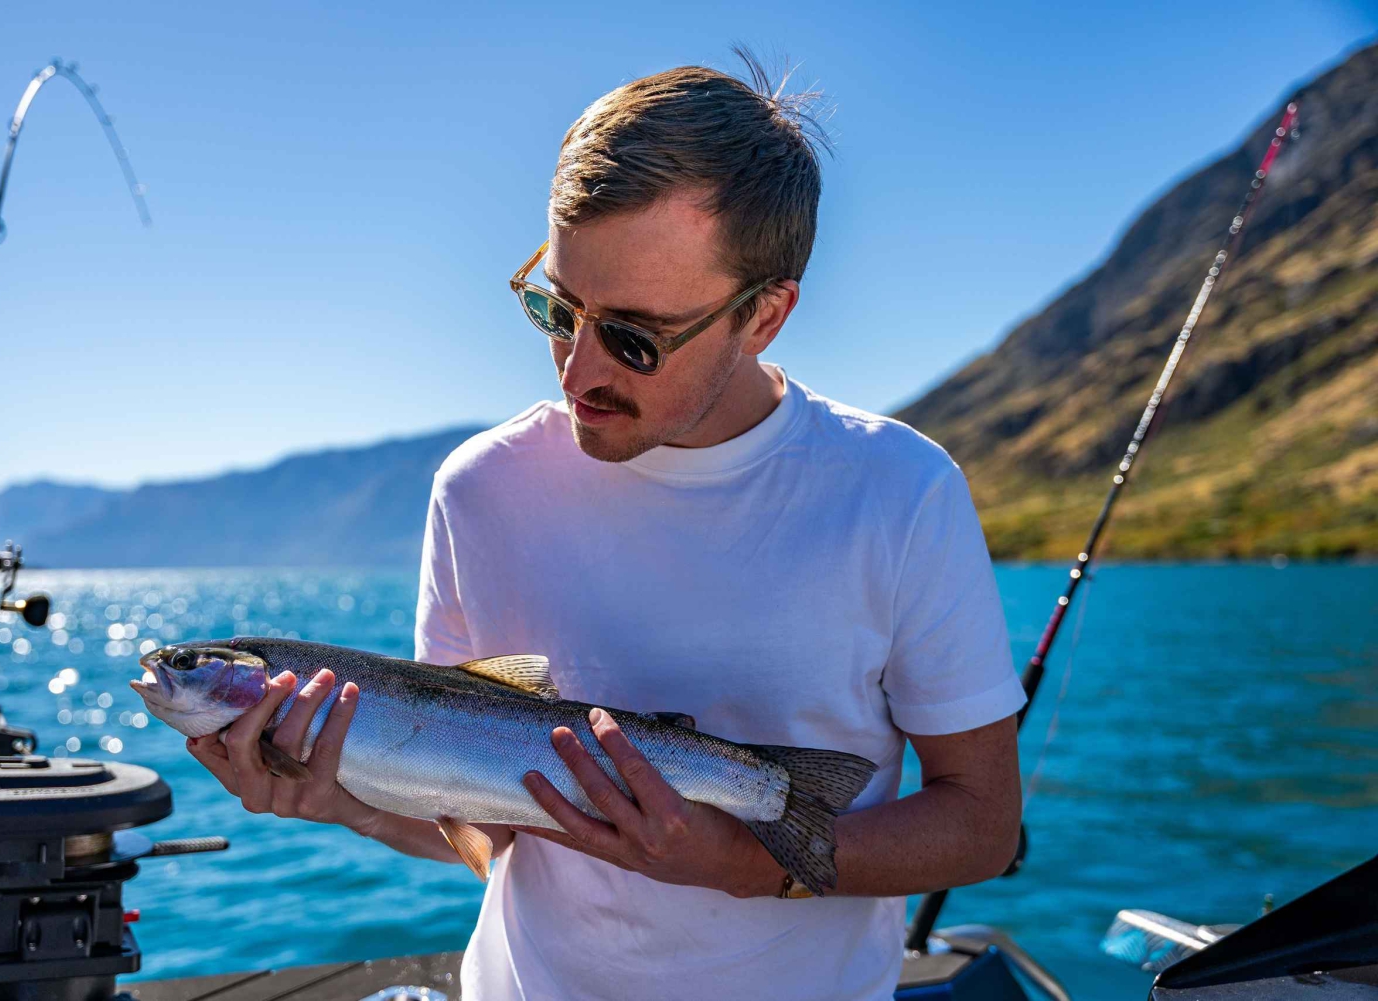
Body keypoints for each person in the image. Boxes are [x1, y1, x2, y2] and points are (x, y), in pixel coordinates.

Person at [188, 54, 1026, 1000]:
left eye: (632, 337)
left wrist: (747, 861)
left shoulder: (899, 491)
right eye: (557, 308)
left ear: (764, 316)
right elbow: (483, 830)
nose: (577, 370)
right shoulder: (480, 489)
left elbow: (982, 824)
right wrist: (339, 796)